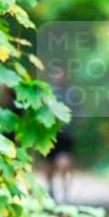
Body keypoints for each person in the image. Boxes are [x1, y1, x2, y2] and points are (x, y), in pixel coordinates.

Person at [45, 66, 75, 203]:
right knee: (49, 166)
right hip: (48, 134)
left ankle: (65, 194)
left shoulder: (72, 93)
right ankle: (51, 191)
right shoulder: (46, 93)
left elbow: (78, 111)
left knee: (64, 164)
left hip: (66, 134)